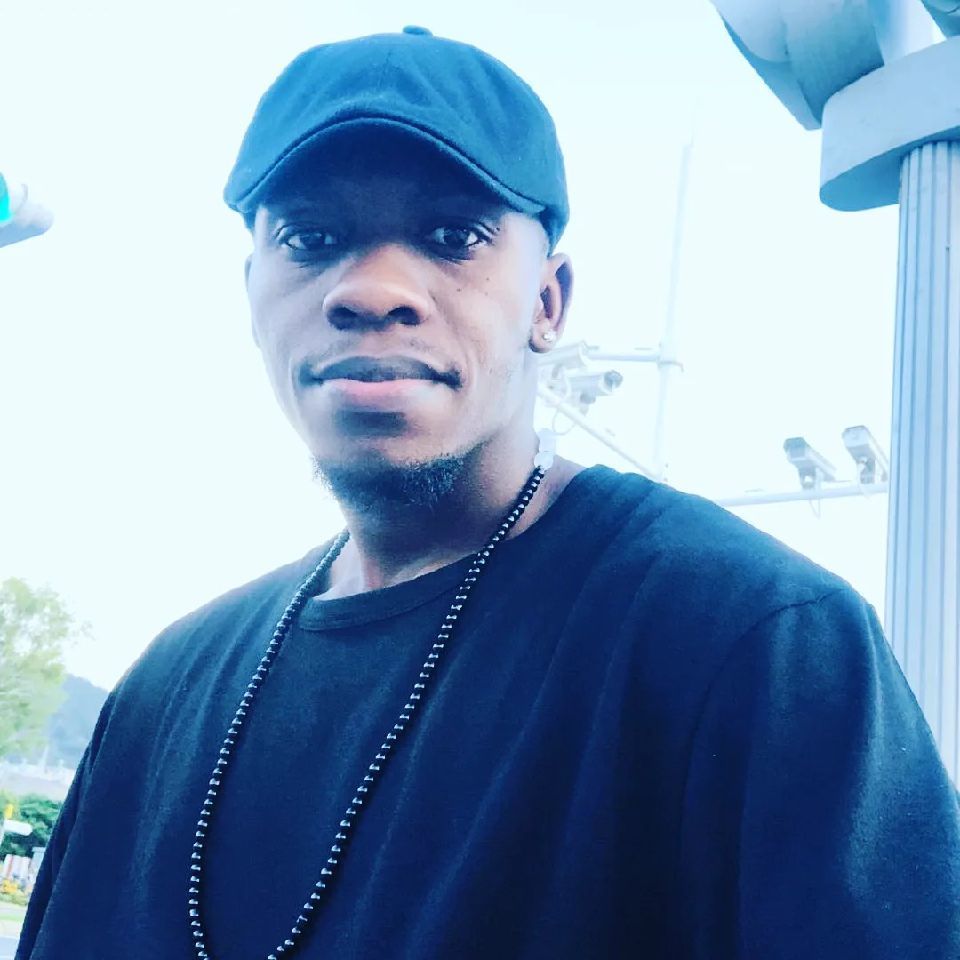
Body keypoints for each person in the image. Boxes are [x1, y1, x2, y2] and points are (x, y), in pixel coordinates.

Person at [17, 27, 960, 960]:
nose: (373, 290)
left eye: (451, 236)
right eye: (311, 237)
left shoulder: (756, 642)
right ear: (252, 296)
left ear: (549, 301)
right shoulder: (163, 691)